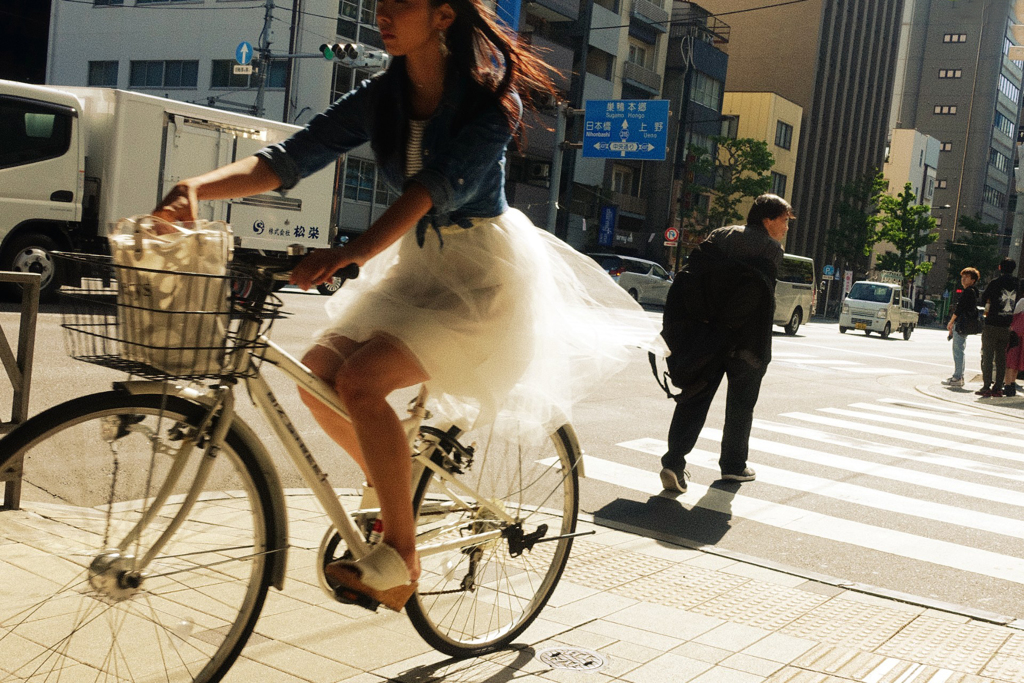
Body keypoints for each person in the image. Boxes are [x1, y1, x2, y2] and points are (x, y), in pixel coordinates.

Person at [152, 0, 662, 610]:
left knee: (363, 381)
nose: (383, 16)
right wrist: (194, 190)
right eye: (380, 5)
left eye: (400, 5)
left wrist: (351, 252)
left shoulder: (492, 103)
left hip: (482, 280)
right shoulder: (384, 95)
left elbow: (430, 190)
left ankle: (402, 557)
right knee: (319, 377)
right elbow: (291, 159)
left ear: (443, 15)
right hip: (419, 267)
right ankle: (393, 480)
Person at [659, 194, 790, 494]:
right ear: (768, 220)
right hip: (745, 341)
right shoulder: (771, 250)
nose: (785, 228)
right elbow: (759, 299)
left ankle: (674, 462)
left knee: (694, 397)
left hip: (706, 333)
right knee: (741, 406)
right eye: (783, 221)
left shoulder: (720, 235)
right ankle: (733, 466)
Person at [977, 258, 1019, 397]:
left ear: (1000, 267)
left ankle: (986, 386)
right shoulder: (1017, 284)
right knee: (1002, 358)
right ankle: (998, 387)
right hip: (1007, 325)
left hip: (992, 324)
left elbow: (984, 300)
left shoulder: (995, 282)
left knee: (988, 356)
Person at [942, 267, 980, 388]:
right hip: (965, 324)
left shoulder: (968, 291)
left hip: (961, 324)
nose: (963, 279)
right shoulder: (973, 291)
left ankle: (957, 377)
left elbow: (959, 309)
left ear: (973, 280)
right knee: (960, 350)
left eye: (966, 277)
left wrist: (951, 321)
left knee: (958, 350)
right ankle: (958, 376)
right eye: (962, 276)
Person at [1000, 282, 1024, 397]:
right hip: (1022, 337)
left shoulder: (1022, 301)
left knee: (1010, 362)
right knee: (1017, 362)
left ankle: (1008, 385)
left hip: (1015, 335)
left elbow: (1013, 316)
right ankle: (1012, 385)